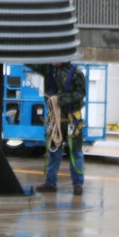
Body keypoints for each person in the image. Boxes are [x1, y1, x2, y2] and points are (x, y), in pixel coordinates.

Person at [31, 61, 87, 196]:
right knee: (54, 151)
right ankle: (50, 183)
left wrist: (59, 99)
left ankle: (78, 184)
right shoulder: (49, 69)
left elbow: (80, 93)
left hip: (71, 118)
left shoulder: (76, 73)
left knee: (75, 152)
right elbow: (33, 63)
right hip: (55, 119)